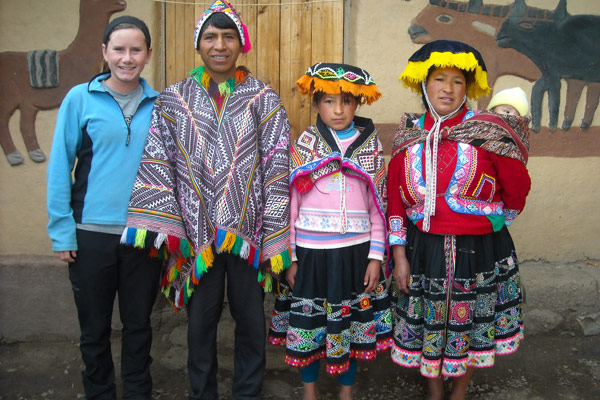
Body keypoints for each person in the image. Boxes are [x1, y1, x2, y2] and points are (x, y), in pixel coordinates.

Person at [119, 1, 291, 399]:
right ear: (199, 44)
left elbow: (277, 165)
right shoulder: (174, 101)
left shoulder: (262, 98)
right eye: (210, 37)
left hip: (249, 234)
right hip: (197, 235)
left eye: (228, 36)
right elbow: (158, 161)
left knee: (250, 321)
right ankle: (202, 394)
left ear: (240, 43)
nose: (219, 45)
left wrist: (275, 234)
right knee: (200, 325)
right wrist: (172, 225)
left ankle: (248, 393)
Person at [387, 40, 532, 400]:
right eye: (439, 79)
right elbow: (394, 201)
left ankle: (460, 392)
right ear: (424, 84)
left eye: (456, 81)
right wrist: (399, 255)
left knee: (469, 325)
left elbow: (516, 187)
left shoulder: (488, 131)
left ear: (467, 87)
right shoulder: (408, 136)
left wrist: (494, 221)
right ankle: (435, 390)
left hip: (479, 248)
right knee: (429, 324)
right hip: (423, 250)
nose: (448, 89)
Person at [46, 16, 162, 399]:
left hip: (142, 234)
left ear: (147, 55)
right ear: (104, 52)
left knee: (138, 325)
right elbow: (61, 166)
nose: (126, 58)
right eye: (119, 49)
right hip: (90, 234)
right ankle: (99, 393)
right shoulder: (80, 99)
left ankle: (138, 392)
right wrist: (62, 230)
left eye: (135, 50)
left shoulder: (160, 105)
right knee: (93, 329)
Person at [268, 63, 392, 400]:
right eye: (328, 102)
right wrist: (290, 256)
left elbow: (378, 207)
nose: (338, 110)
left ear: (358, 104)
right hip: (310, 255)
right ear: (316, 103)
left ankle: (345, 392)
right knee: (309, 325)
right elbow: (289, 206)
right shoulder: (306, 145)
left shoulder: (370, 147)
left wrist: (376, 256)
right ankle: (309, 390)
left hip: (355, 253)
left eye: (346, 102)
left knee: (347, 328)